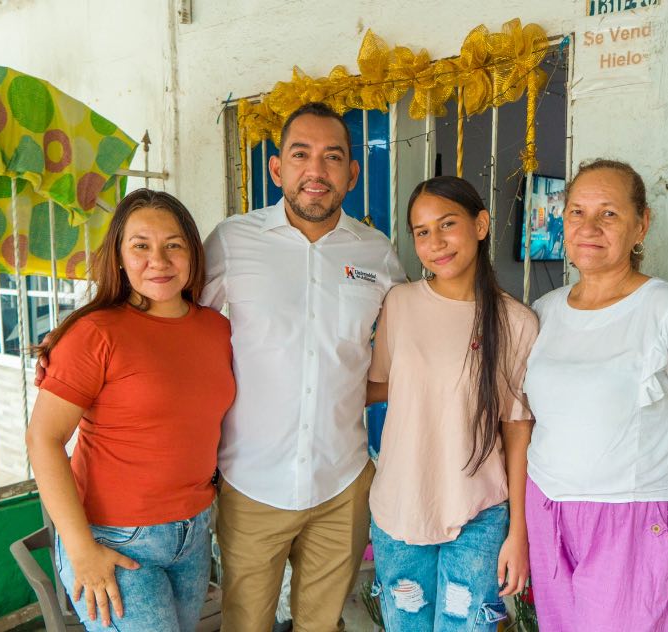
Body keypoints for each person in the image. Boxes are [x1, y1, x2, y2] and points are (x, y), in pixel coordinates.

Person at [201, 102, 407, 632]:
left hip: (342, 483)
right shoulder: (232, 240)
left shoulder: (378, 253)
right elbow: (173, 321)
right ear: (277, 169)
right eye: (301, 155)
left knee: (323, 624)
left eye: (332, 157)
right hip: (251, 482)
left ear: (352, 173)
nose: (316, 171)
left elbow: (407, 348)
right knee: (245, 624)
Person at [522, 159, 668, 631]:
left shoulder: (664, 309)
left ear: (641, 224)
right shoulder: (545, 311)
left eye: (609, 214)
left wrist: (653, 478)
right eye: (577, 212)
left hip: (628, 517)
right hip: (546, 507)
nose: (589, 227)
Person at [27, 189, 235, 631]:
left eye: (173, 244)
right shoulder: (94, 333)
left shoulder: (216, 328)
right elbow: (43, 439)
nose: (158, 260)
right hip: (114, 538)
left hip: (193, 533)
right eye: (141, 245)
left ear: (193, 254)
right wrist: (81, 549)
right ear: (119, 256)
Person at [365, 176, 538, 631]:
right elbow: (377, 386)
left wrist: (518, 532)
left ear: (480, 225)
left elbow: (518, 431)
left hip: (478, 514)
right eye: (422, 232)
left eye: (447, 224)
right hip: (400, 507)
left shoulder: (516, 322)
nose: (435, 243)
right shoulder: (399, 304)